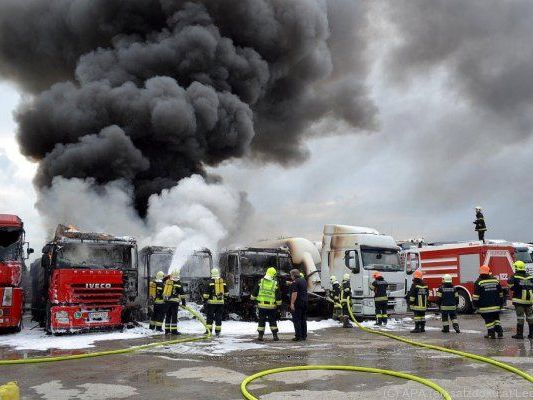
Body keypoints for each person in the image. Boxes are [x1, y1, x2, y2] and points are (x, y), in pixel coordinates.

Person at [473, 265, 504, 339]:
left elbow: (476, 296)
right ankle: (500, 333)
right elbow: (501, 294)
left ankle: (491, 334)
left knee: (489, 320)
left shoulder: (479, 282)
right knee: (496, 319)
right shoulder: (495, 281)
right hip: (496, 306)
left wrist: (475, 305)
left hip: (485, 307)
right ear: (488, 272)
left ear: (480, 273)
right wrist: (501, 303)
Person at [251, 267, 282, 341]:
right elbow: (278, 296)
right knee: (272, 321)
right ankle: (275, 336)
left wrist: (253, 300)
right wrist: (279, 305)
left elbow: (254, 293)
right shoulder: (275, 283)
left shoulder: (260, 282)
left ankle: (260, 336)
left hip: (261, 306)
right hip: (272, 307)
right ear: (273, 275)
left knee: (261, 320)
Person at [507, 260, 533, 339]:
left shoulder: (515, 276)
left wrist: (514, 287)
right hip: (529, 300)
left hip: (519, 300)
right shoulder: (530, 276)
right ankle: (531, 334)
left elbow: (510, 285)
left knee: (520, 317)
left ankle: (519, 334)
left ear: (517, 268)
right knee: (530, 317)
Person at [202, 268, 228, 337]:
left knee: (210, 317)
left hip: (211, 303)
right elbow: (226, 293)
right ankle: (218, 332)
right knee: (218, 317)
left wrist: (205, 301)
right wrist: (224, 299)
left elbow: (206, 294)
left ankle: (208, 331)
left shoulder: (210, 282)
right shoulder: (223, 282)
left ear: (212, 274)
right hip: (220, 303)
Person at [163, 270, 186, 335]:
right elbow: (182, 294)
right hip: (174, 302)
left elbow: (162, 282)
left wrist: (167, 277)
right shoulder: (178, 283)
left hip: (167, 301)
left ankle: (167, 331)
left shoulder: (168, 282)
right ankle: (174, 331)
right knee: (174, 316)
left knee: (168, 316)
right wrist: (184, 303)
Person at [290, 268, 309, 341]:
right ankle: (304, 335)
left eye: (291, 275)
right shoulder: (303, 280)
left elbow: (295, 293)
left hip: (298, 303)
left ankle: (298, 336)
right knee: (303, 319)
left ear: (293, 275)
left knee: (297, 320)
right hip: (305, 302)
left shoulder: (295, 282)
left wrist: (292, 303)